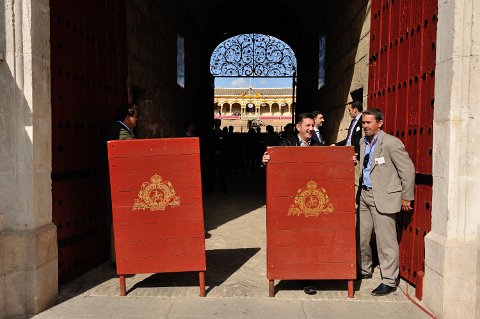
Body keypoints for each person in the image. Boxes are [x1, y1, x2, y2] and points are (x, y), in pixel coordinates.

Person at [358, 108, 415, 296]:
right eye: (363, 123)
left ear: (379, 123)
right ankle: (364, 270)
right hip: (365, 196)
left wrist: (407, 196)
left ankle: (389, 280)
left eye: (368, 123)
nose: (364, 126)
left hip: (383, 196)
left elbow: (407, 171)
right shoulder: (362, 141)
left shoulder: (391, 143)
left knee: (386, 241)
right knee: (362, 236)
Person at [332, 101, 364, 206]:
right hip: (348, 155)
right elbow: (348, 139)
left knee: (356, 181)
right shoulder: (353, 122)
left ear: (355, 109)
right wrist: (336, 145)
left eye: (349, 110)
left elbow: (362, 140)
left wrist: (358, 154)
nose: (349, 112)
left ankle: (357, 204)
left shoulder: (363, 121)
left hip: (356, 156)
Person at [207, 119, 228, 193]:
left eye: (219, 123)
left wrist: (220, 151)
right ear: (214, 124)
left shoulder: (223, 133)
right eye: (216, 123)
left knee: (222, 173)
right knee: (211, 172)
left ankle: (223, 189)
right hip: (212, 155)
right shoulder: (210, 133)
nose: (218, 125)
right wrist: (213, 151)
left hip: (221, 155)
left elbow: (225, 144)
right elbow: (208, 144)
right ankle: (209, 189)